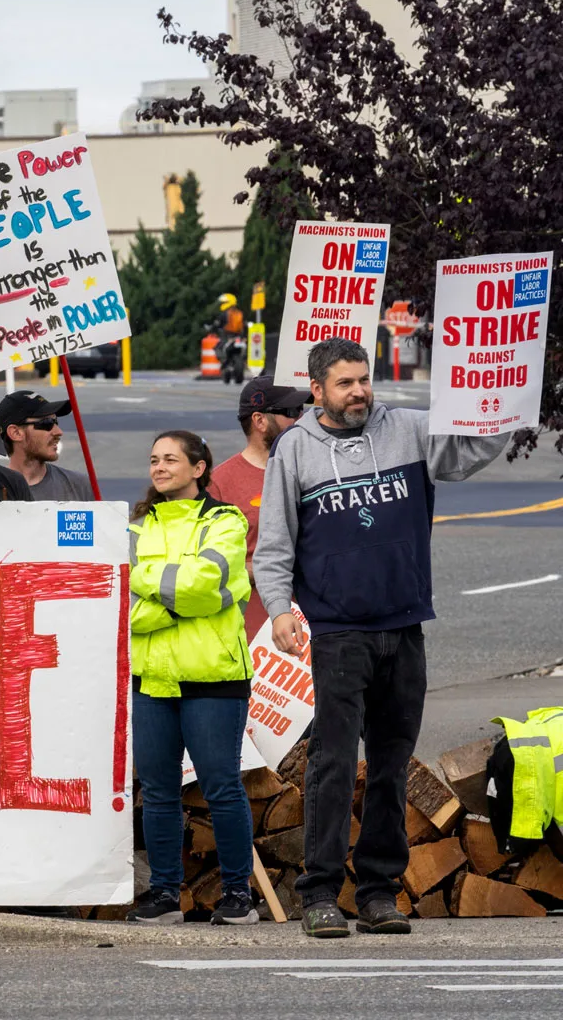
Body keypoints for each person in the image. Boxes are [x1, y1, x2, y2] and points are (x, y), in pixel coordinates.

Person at [257, 337, 512, 938]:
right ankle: (319, 892)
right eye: (345, 383)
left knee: (392, 768)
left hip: (404, 626)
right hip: (340, 633)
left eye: (364, 380)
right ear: (316, 389)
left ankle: (376, 892)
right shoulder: (294, 451)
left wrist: (504, 412)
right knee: (334, 764)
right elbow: (274, 546)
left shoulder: (408, 429)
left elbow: (467, 452)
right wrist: (279, 609)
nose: (359, 392)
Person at [124, 430, 258, 926]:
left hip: (212, 678)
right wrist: (177, 602)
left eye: (171, 459)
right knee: (157, 791)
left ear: (199, 468)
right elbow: (125, 605)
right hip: (153, 678)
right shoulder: (137, 526)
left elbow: (210, 586)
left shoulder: (227, 521)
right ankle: (163, 894)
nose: (159, 467)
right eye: (154, 459)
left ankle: (238, 895)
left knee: (222, 787)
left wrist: (150, 588)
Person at [206, 375, 310, 639]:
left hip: (320, 623)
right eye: (290, 412)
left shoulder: (315, 468)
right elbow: (208, 567)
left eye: (302, 410)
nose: (300, 419)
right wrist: (270, 568)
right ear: (260, 421)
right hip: (255, 631)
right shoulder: (220, 484)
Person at [0, 390, 91, 500]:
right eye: (46, 423)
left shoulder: (79, 486)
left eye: (55, 422)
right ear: (16, 433)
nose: (58, 432)